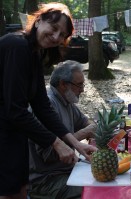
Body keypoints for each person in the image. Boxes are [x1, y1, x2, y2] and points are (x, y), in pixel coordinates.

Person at [0, 3, 97, 199]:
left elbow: (42, 107)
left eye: (62, 35)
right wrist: (56, 143)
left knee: (19, 191)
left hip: (14, 132)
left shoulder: (34, 53)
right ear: (38, 21)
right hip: (4, 132)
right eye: (54, 29)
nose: (56, 37)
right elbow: (15, 110)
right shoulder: (17, 46)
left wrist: (75, 145)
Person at [28, 60, 96, 199]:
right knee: (95, 191)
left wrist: (92, 128)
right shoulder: (47, 105)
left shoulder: (66, 100)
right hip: (46, 180)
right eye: (79, 85)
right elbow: (51, 155)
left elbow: (84, 122)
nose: (82, 90)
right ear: (63, 84)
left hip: (65, 171)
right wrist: (85, 132)